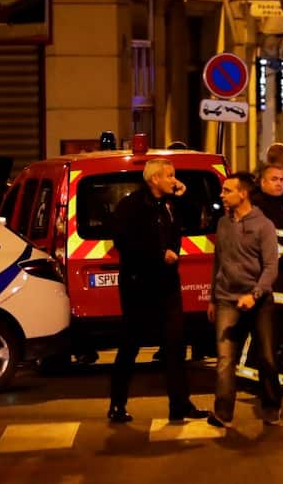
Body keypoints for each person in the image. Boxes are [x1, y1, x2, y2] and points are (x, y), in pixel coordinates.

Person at [107, 157, 207, 424]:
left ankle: (180, 404)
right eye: (170, 175)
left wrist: (185, 197)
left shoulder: (171, 204)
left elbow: (194, 221)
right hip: (139, 285)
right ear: (154, 179)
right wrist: (158, 254)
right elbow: (124, 242)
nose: (174, 180)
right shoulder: (132, 206)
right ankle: (117, 404)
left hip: (167, 285)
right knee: (130, 345)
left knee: (175, 345)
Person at [208, 172, 281, 428]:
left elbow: (271, 267)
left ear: (243, 194)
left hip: (259, 302)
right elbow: (218, 261)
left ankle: (271, 405)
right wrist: (212, 299)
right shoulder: (222, 224)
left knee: (267, 357)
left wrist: (255, 294)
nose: (222, 195)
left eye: (227, 190)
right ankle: (223, 412)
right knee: (225, 359)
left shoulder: (264, 226)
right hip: (227, 299)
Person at [250, 164, 283, 388]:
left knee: (282, 338)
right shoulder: (257, 209)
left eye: (282, 180)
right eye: (274, 179)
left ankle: (277, 382)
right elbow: (261, 246)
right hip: (269, 282)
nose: (279, 183)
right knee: (268, 338)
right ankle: (263, 383)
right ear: (262, 182)